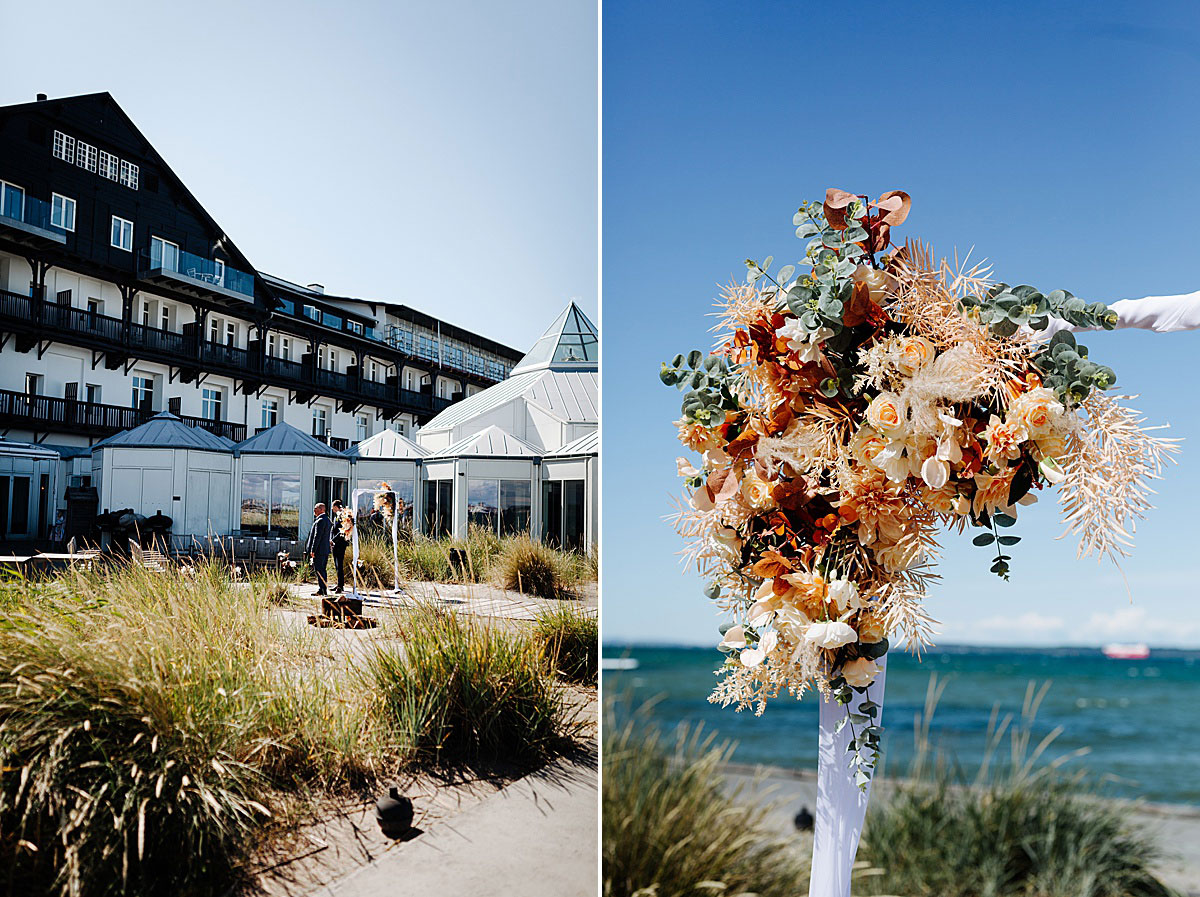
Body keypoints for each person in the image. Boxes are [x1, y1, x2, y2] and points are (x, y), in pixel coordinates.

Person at [306, 503, 333, 596]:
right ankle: (322, 589)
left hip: (319, 550)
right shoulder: (327, 520)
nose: (314, 510)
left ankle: (322, 589)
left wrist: (313, 550)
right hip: (324, 550)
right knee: (322, 570)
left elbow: (317, 537)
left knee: (319, 570)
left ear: (321, 509)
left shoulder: (321, 520)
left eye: (315, 508)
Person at [330, 499, 349, 594]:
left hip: (340, 543)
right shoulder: (336, 516)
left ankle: (340, 586)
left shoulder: (343, 516)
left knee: (340, 564)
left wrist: (333, 540)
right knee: (337, 565)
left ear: (336, 506)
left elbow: (342, 531)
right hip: (335, 544)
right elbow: (333, 529)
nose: (332, 508)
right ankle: (339, 584)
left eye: (333, 506)